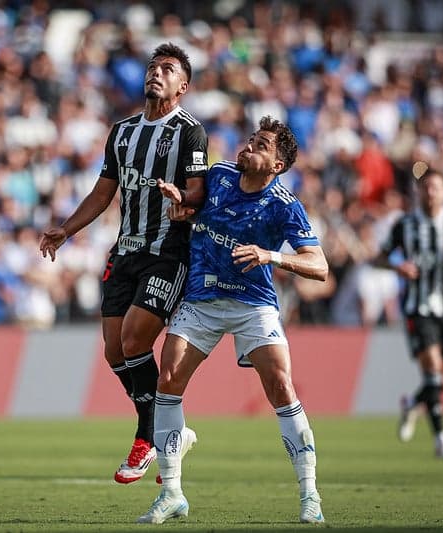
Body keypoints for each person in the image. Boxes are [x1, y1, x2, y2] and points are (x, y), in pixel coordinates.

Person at [136, 116, 328, 525]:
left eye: (261, 144)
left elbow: (320, 266)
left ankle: (310, 494)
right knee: (167, 379)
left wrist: (270, 255)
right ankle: (171, 492)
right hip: (202, 298)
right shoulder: (220, 174)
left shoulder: (284, 205)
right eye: (251, 139)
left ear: (276, 165)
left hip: (253, 304)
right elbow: (193, 209)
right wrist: (181, 207)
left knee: (281, 386)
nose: (249, 146)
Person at [39, 43, 208, 484]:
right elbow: (103, 192)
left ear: (182, 86)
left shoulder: (191, 132)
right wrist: (66, 228)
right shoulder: (122, 131)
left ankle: (147, 436)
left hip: (168, 252)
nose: (156, 73)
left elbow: (199, 193)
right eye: (153, 67)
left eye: (167, 69)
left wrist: (182, 200)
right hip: (125, 251)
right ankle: (172, 429)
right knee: (115, 349)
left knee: (135, 339)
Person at [375, 168, 443, 459]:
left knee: (442, 382)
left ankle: (411, 404)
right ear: (419, 191)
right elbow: (379, 257)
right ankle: (441, 439)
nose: (431, 192)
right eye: (426, 187)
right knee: (432, 371)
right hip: (418, 309)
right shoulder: (405, 225)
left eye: (436, 187)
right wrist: (398, 267)